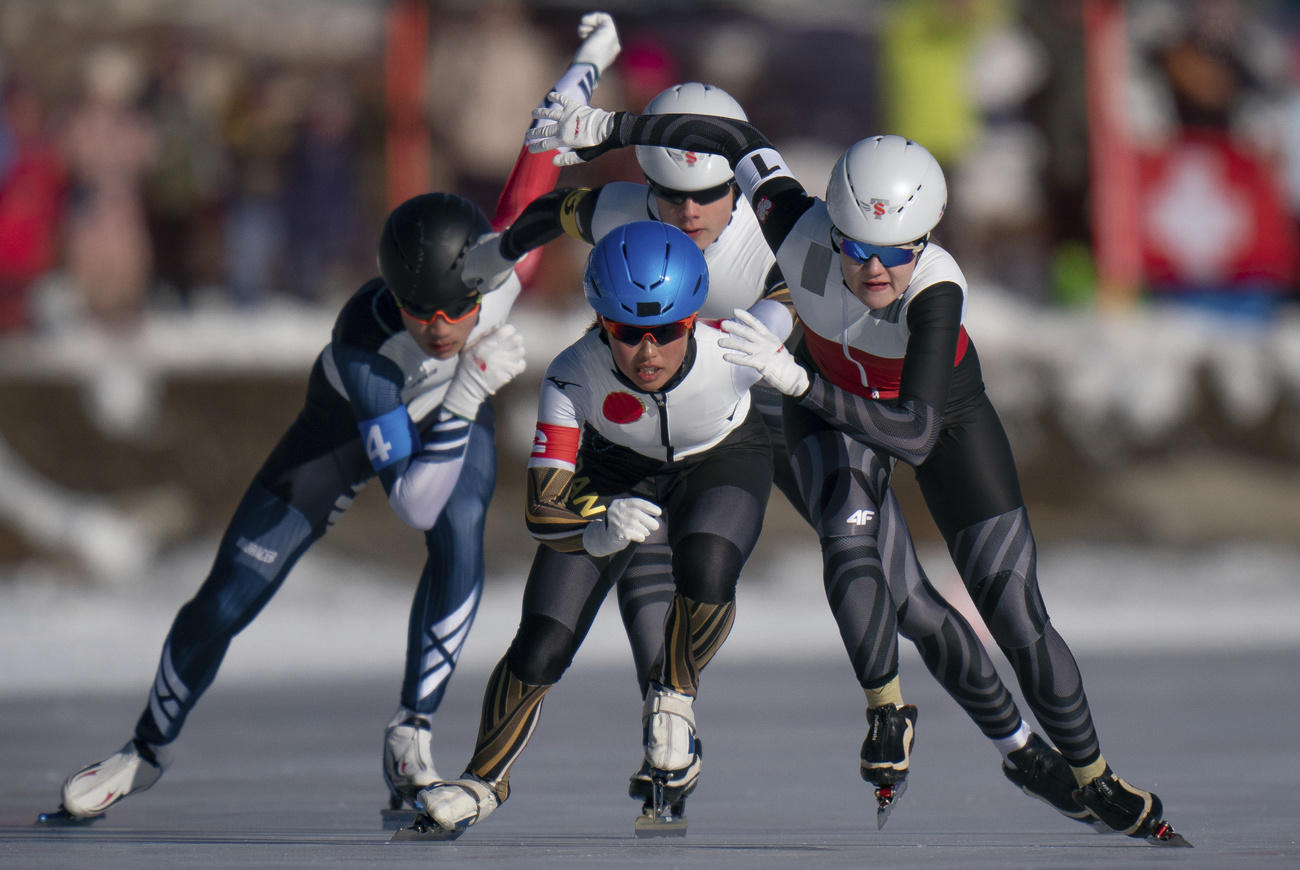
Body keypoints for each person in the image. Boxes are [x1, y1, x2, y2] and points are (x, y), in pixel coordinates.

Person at [524, 100, 1189, 844]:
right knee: (846, 551)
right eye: (857, 248)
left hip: (871, 408)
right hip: (787, 407)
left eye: (897, 252)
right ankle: (876, 714)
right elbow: (617, 185)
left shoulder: (921, 282)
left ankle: (1075, 769)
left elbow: (916, 431)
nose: (874, 268)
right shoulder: (691, 215)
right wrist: (605, 131)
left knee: (1003, 606)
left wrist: (798, 380)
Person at [44, 13, 622, 823]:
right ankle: (145, 749)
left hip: (451, 421)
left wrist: (591, 55)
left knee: (463, 537)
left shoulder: (499, 268)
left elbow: (543, 145)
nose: (441, 329)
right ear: (395, 298)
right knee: (226, 597)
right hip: (346, 433)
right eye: (420, 315)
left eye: (455, 312)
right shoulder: (365, 351)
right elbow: (406, 501)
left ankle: (412, 730)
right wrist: (463, 392)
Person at [406, 220, 791, 837]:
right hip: (611, 475)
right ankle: (482, 780)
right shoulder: (572, 375)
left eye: (665, 331)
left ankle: (674, 699)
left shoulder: (736, 351)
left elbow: (799, 285)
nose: (647, 353)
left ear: (693, 319)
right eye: (625, 332)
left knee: (709, 566)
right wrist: (595, 524)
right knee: (543, 640)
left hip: (721, 457)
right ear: (600, 322)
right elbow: (542, 505)